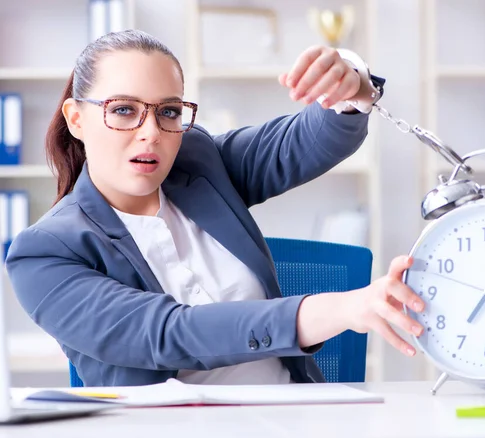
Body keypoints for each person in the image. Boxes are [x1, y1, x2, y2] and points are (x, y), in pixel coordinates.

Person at [5, 30, 425, 387]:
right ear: (76, 119)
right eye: (123, 110)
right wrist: (340, 308)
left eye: (169, 111)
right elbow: (171, 333)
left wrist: (349, 85)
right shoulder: (43, 253)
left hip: (298, 417)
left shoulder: (197, 160)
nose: (150, 133)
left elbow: (303, 141)